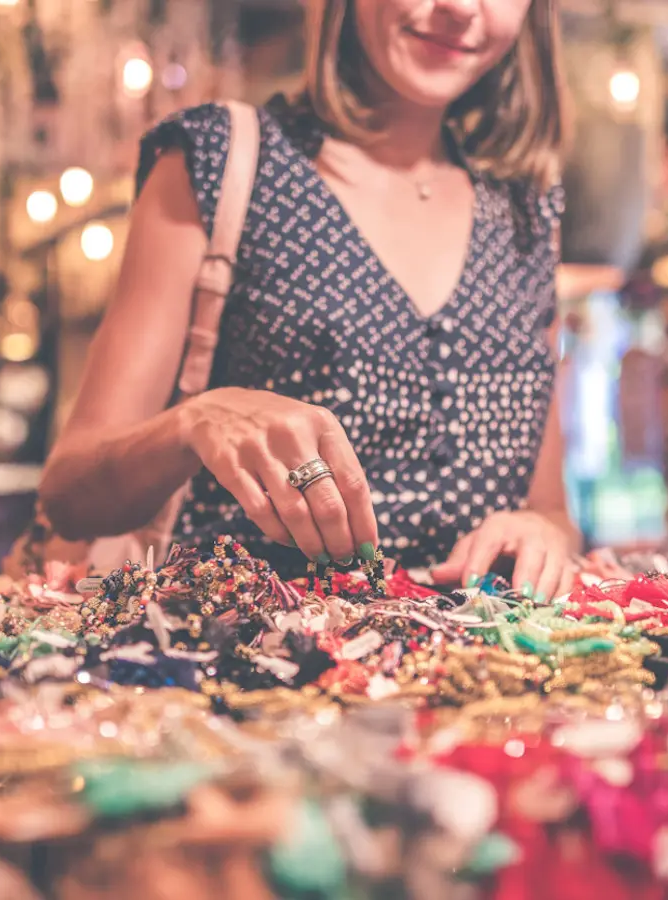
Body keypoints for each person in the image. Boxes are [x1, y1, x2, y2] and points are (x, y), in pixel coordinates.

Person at [40, 0, 580, 600]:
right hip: (242, 644)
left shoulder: (527, 209)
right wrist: (197, 421)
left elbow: (552, 510)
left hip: (477, 655)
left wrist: (540, 532)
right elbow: (70, 495)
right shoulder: (223, 158)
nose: (458, 7)